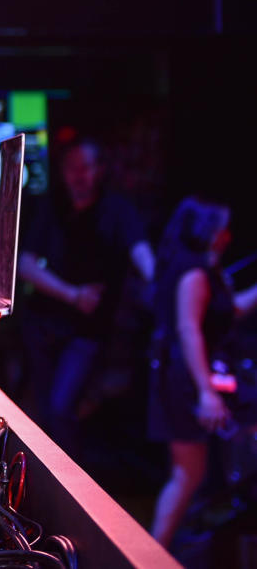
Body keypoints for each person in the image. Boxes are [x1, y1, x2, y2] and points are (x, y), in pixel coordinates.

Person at [16, 134, 155, 459]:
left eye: (86, 167)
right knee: (45, 414)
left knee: (62, 408)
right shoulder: (52, 206)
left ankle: (71, 492)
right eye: (72, 168)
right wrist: (73, 295)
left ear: (100, 170)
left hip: (87, 331)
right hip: (43, 325)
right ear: (63, 171)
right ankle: (41, 490)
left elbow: (142, 253)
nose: (79, 175)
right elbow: (25, 265)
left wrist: (159, 283)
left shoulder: (117, 209)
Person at [147, 196, 257, 549]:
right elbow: (188, 330)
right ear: (208, 231)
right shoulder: (193, 272)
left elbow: (230, 311)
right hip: (184, 381)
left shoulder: (202, 268)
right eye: (222, 228)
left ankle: (158, 550)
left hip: (190, 377)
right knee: (187, 474)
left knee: (189, 474)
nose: (228, 235)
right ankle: (149, 554)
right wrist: (206, 393)